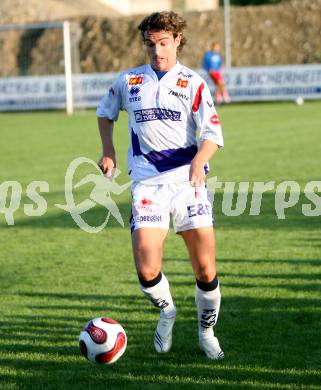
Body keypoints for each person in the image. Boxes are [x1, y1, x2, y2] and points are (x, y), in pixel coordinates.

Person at [96, 11, 224, 360]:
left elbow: (212, 134)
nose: (157, 51)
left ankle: (206, 331)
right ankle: (167, 312)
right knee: (147, 267)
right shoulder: (129, 81)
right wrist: (108, 152)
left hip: (187, 182)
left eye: (164, 43)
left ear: (178, 41)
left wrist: (199, 159)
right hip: (147, 184)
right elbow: (105, 113)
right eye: (151, 45)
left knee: (206, 269)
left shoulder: (193, 83)